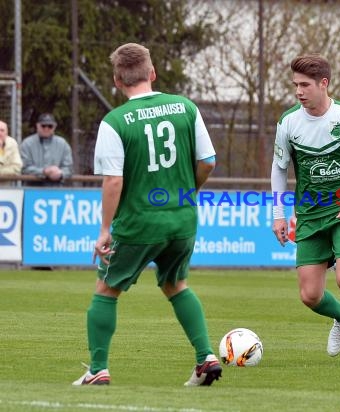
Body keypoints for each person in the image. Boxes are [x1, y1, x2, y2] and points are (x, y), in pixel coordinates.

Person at [72, 43, 221, 386]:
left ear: (116, 80)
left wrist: (104, 229)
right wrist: (186, 193)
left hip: (139, 222)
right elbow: (208, 162)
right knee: (176, 284)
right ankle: (206, 357)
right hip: (182, 219)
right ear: (152, 73)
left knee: (106, 289)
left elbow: (113, 182)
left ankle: (97, 369)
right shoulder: (185, 107)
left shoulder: (115, 121)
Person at [271, 54, 340, 366]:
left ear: (324, 83)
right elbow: (279, 169)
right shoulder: (289, 122)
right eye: (295, 85)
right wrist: (278, 215)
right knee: (309, 296)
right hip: (309, 213)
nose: (298, 91)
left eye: (305, 84)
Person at [20, 113, 73, 186]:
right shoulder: (27, 143)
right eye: (43, 125)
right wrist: (44, 172)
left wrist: (60, 173)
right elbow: (23, 168)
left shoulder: (63, 144)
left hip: (57, 190)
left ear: (54, 127)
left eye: (50, 126)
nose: (46, 128)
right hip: (32, 189)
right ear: (37, 125)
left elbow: (69, 168)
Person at [0, 120, 23, 186]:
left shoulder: (12, 143)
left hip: (7, 188)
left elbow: (17, 168)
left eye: (2, 130)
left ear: (6, 133)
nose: (0, 133)